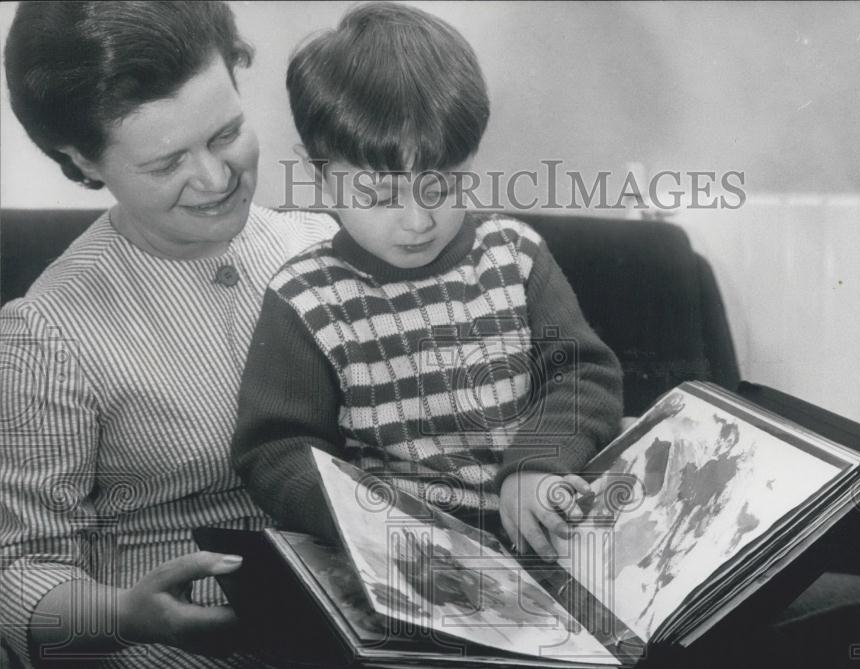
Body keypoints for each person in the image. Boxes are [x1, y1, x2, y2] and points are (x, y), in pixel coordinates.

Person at [0, 2, 337, 666]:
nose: (216, 180)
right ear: (82, 160)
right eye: (164, 164)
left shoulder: (329, 247)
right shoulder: (46, 332)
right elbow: (20, 570)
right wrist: (126, 614)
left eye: (226, 133)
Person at [230, 2, 624, 562]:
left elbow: (583, 376)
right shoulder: (306, 297)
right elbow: (277, 450)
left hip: (540, 535)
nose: (417, 221)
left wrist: (537, 463)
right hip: (402, 560)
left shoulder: (514, 257)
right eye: (379, 195)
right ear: (319, 174)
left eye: (441, 188)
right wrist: (369, 519)